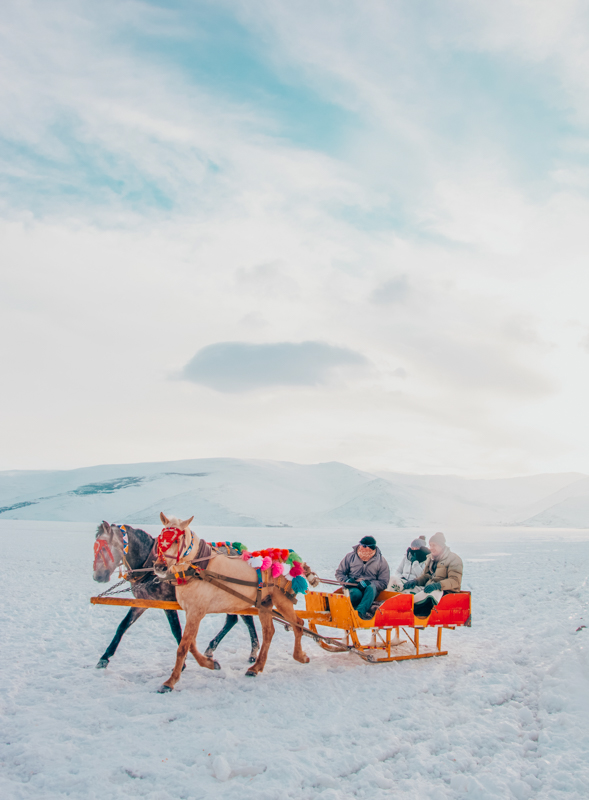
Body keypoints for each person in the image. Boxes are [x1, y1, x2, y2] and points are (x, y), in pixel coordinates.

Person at [404, 531, 463, 617]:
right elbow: (427, 576)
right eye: (430, 545)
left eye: (434, 545)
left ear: (441, 545)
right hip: (430, 588)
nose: (431, 548)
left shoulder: (453, 559)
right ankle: (403, 605)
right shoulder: (431, 559)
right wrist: (416, 581)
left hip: (446, 592)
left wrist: (438, 585)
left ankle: (413, 611)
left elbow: (455, 581)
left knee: (430, 594)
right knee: (409, 590)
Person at [335, 535, 390, 620]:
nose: (364, 548)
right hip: (353, 586)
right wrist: (346, 581)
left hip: (370, 590)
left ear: (372, 547)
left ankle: (359, 613)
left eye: (367, 546)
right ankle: (347, 610)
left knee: (371, 587)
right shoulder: (350, 557)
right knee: (356, 594)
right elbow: (339, 573)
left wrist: (368, 583)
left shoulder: (381, 561)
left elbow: (384, 582)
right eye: (362, 545)